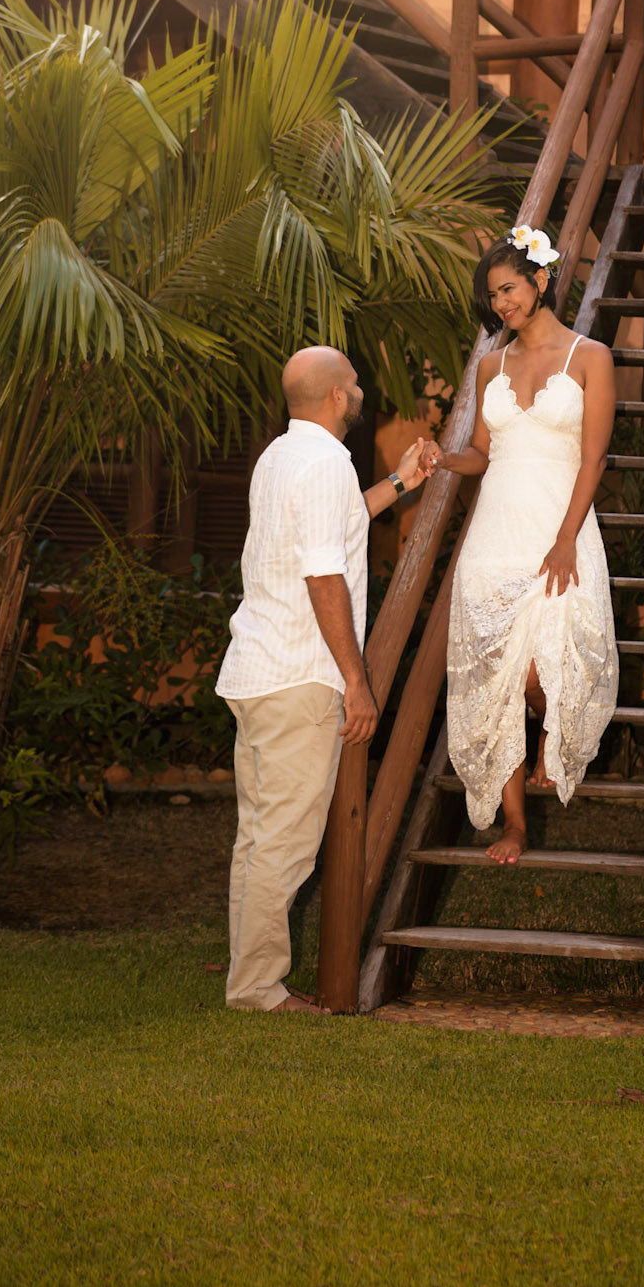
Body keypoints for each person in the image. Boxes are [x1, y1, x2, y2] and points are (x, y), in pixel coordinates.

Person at [217, 345, 431, 1012]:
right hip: (297, 678)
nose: (363, 389)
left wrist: (399, 484)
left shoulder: (285, 456)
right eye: (357, 381)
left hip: (259, 672)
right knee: (281, 845)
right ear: (339, 396)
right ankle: (256, 990)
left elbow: (330, 533)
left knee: (259, 839)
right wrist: (355, 680)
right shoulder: (324, 462)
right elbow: (322, 576)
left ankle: (249, 982)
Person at [427, 224, 618, 864]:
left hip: (558, 531)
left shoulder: (591, 357)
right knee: (493, 676)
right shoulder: (490, 366)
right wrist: (443, 461)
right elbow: (484, 454)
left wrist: (566, 540)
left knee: (541, 667)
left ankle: (549, 734)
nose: (502, 303)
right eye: (493, 296)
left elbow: (593, 460)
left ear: (541, 280)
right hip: (495, 536)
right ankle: (514, 825)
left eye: (509, 288)